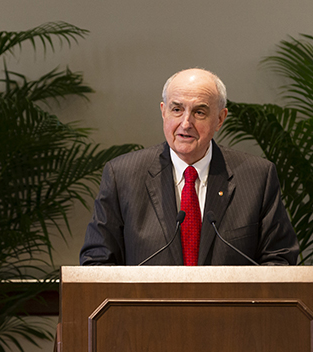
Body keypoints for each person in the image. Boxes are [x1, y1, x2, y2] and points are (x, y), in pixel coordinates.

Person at [80, 68, 299, 266]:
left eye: (199, 112)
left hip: (230, 310)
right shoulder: (123, 176)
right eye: (177, 110)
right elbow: (97, 262)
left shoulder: (257, 177)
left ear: (220, 119)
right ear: (163, 111)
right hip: (148, 310)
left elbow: (280, 260)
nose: (186, 123)